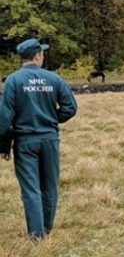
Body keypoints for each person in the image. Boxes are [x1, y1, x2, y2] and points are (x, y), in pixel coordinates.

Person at [0, 39, 78, 240]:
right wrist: (52, 119)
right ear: (37, 56)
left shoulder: (13, 80)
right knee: (50, 186)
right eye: (42, 53)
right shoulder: (54, 78)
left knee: (30, 189)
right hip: (50, 139)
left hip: (24, 141)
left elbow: (4, 117)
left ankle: (36, 236)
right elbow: (70, 108)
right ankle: (47, 229)